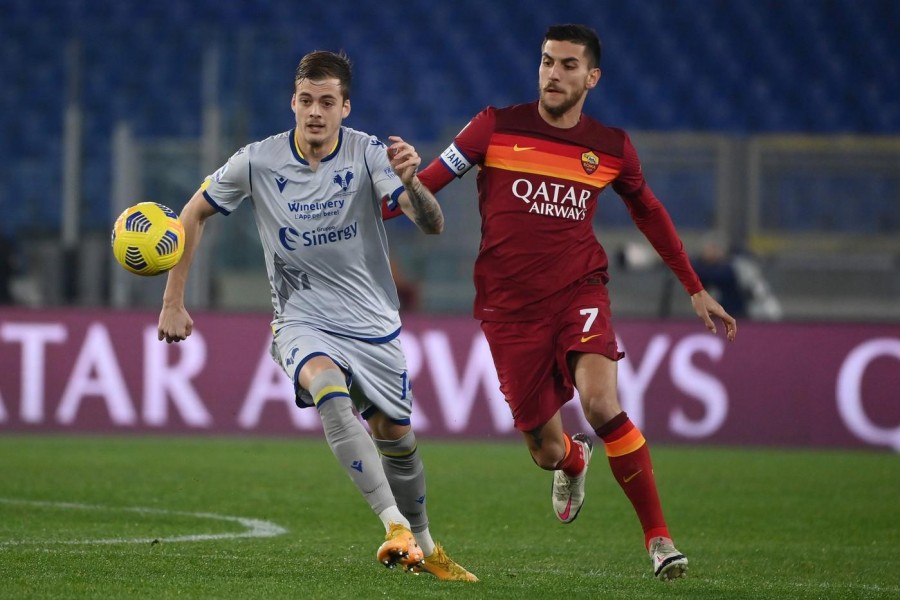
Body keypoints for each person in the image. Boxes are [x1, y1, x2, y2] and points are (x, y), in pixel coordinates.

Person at [413, 24, 737, 581]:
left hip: (578, 290)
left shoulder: (610, 147)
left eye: (567, 65)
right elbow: (425, 186)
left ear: (592, 77)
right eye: (546, 62)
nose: (553, 74)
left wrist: (694, 286)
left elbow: (649, 213)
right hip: (508, 308)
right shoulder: (494, 127)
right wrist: (384, 192)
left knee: (601, 404)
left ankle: (659, 540)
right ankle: (573, 459)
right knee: (544, 448)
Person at [157, 50, 476, 582]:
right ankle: (394, 525)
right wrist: (173, 299)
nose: (314, 112)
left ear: (345, 108)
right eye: (306, 101)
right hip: (301, 321)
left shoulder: (369, 154)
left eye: (327, 102)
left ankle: (425, 546)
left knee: (396, 437)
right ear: (293, 102)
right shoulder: (257, 160)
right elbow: (193, 211)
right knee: (327, 389)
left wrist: (414, 183)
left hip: (373, 324)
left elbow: (432, 224)